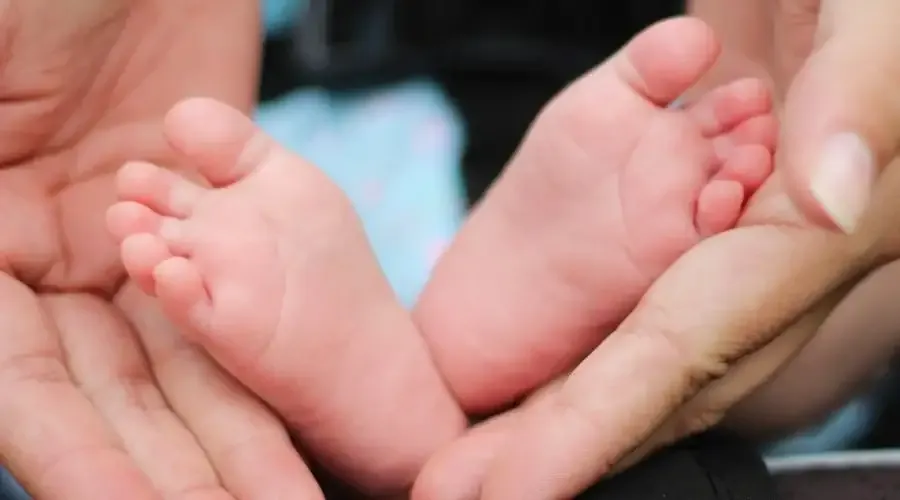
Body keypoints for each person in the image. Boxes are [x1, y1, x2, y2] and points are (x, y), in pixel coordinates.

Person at [0, 0, 896, 499]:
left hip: (292, 156)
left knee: (813, 186)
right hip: (491, 130)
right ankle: (431, 358)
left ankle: (393, 377)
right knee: (782, 193)